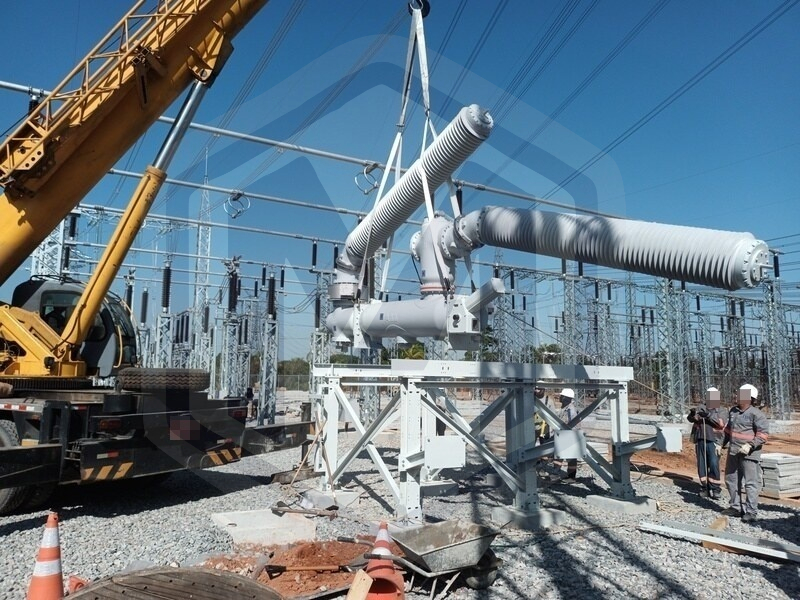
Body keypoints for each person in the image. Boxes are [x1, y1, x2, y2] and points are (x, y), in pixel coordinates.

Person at [722, 383, 769, 522]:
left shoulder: (757, 414)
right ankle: (735, 507)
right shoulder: (733, 411)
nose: (736, 396)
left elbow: (763, 435)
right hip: (734, 452)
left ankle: (751, 511)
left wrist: (750, 445)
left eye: (740, 394)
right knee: (731, 479)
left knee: (750, 483)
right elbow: (728, 431)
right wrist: (721, 444)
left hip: (749, 454)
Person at [687, 387, 726, 499]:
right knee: (702, 465)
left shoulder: (721, 410)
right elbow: (693, 419)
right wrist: (692, 414)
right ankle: (704, 487)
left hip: (714, 441)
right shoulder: (701, 407)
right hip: (700, 439)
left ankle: (715, 488)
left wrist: (708, 415)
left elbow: (721, 424)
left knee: (713, 464)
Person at [558, 388, 579, 481]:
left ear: (565, 398)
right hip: (565, 434)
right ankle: (569, 476)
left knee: (570, 457)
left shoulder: (570, 409)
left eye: (561, 396)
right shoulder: (565, 408)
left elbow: (572, 424)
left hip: (569, 435)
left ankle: (571, 477)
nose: (559, 397)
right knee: (564, 456)